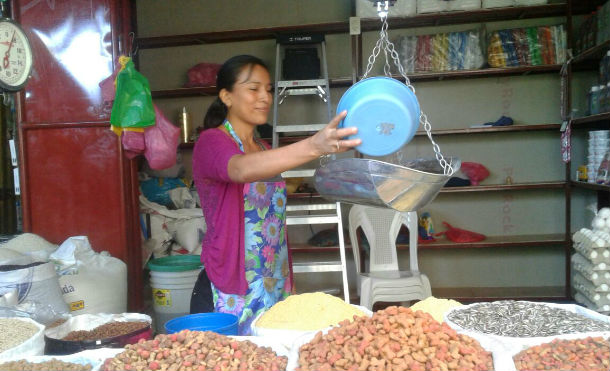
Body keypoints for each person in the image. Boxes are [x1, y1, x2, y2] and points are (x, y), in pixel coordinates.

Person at [190, 55, 361, 335]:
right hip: (232, 284)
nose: (265, 97)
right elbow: (240, 170)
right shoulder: (212, 141)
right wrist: (314, 146)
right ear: (227, 96)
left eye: (268, 89)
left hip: (274, 279)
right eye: (253, 89)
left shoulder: (262, 145)